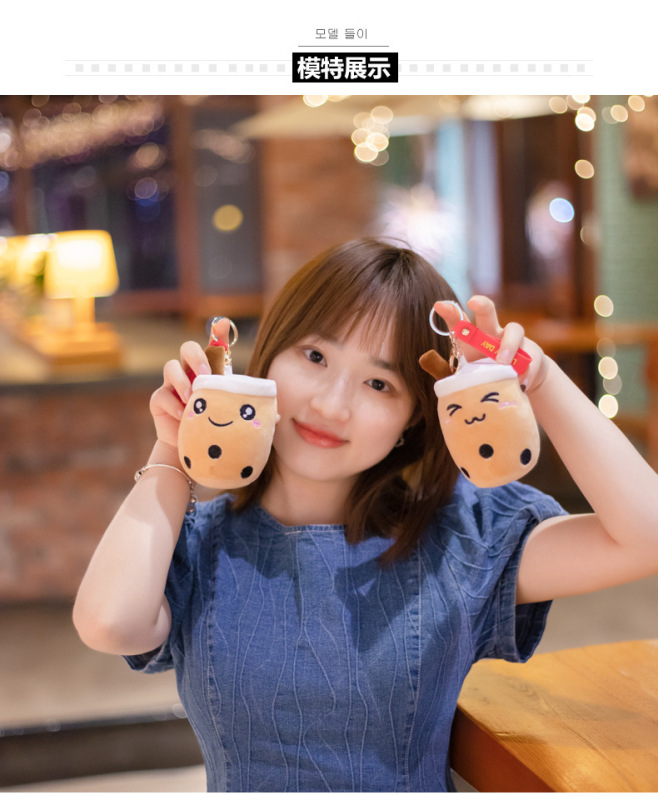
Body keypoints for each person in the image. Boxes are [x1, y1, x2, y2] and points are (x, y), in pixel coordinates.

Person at [73, 238, 658, 792]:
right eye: (315, 356)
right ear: (268, 357)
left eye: (379, 383)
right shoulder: (201, 545)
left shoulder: (459, 540)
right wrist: (173, 446)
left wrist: (539, 377)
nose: (332, 405)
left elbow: (645, 535)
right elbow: (108, 623)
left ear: (414, 415)